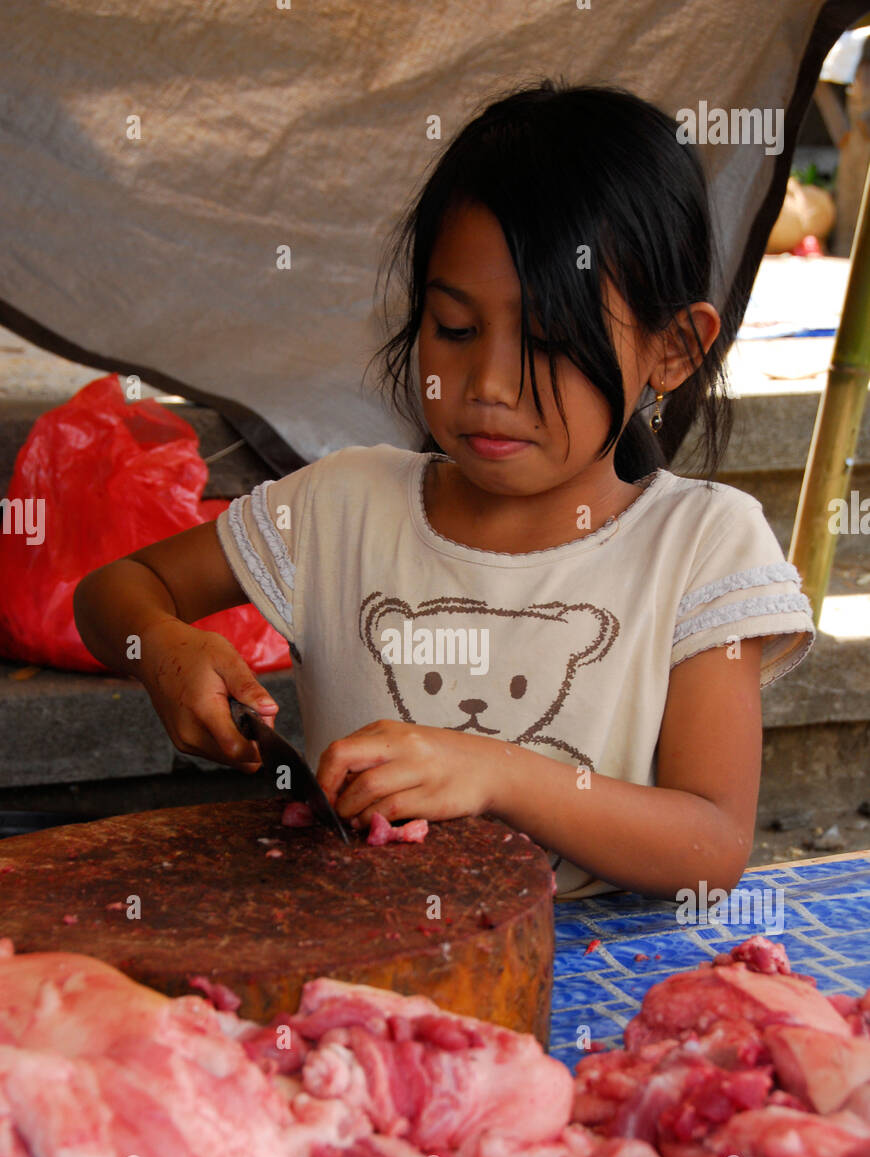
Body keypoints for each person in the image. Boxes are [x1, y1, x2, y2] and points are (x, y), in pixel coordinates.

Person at [74, 80, 814, 901]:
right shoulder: (343, 508)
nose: (490, 383)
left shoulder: (701, 546)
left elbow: (711, 845)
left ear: (674, 349)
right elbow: (114, 592)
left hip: (597, 983)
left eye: (551, 343)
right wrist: (161, 648)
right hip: (370, 974)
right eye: (455, 330)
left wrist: (496, 773)